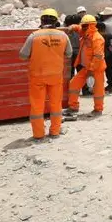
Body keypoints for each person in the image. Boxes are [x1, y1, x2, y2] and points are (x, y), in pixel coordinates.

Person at [18, 8, 71, 140]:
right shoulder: (63, 36)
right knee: (56, 104)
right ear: (56, 21)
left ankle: (38, 134)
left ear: (42, 20)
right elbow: (69, 54)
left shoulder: (34, 36)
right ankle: (55, 131)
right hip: (56, 76)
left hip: (38, 76)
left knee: (37, 105)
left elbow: (23, 55)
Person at [65, 14, 106, 116]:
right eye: (82, 25)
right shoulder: (86, 33)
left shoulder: (97, 38)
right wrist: (72, 27)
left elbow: (98, 56)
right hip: (86, 68)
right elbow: (78, 28)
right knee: (73, 84)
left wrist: (91, 70)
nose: (82, 27)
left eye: (84, 26)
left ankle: (98, 109)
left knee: (98, 90)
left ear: (91, 26)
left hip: (96, 69)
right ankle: (73, 107)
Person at [97, 6, 112, 93]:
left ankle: (111, 83)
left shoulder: (105, 24)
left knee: (109, 68)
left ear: (106, 15)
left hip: (108, 48)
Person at [63, 13, 83, 81]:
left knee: (70, 71)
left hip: (69, 52)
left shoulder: (66, 30)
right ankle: (82, 86)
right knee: (80, 70)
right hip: (79, 52)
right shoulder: (80, 29)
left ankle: (70, 84)